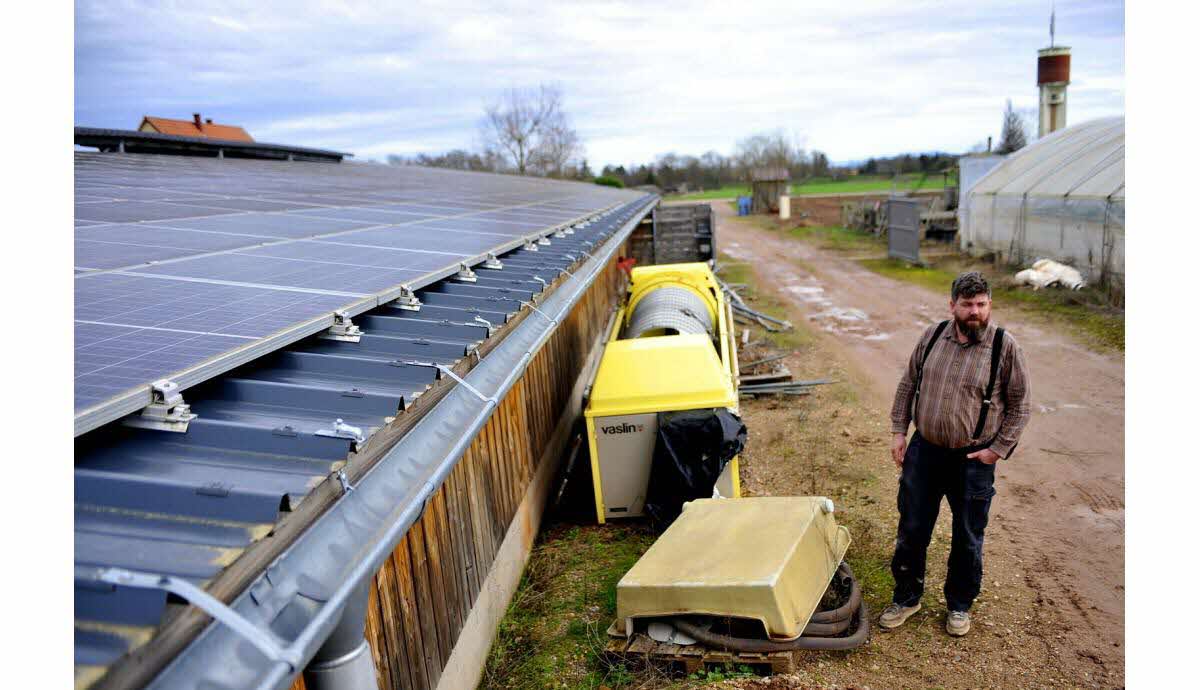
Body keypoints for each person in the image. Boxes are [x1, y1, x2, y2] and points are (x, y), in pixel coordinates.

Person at [879, 271, 1030, 637]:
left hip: (973, 461)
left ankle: (959, 606)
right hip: (924, 453)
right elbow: (907, 385)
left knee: (967, 535)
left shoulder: (1003, 347)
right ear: (953, 306)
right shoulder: (931, 337)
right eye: (967, 305)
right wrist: (900, 432)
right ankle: (907, 597)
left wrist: (997, 450)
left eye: (981, 304)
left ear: (989, 305)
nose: (975, 312)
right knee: (912, 529)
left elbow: (1020, 406)